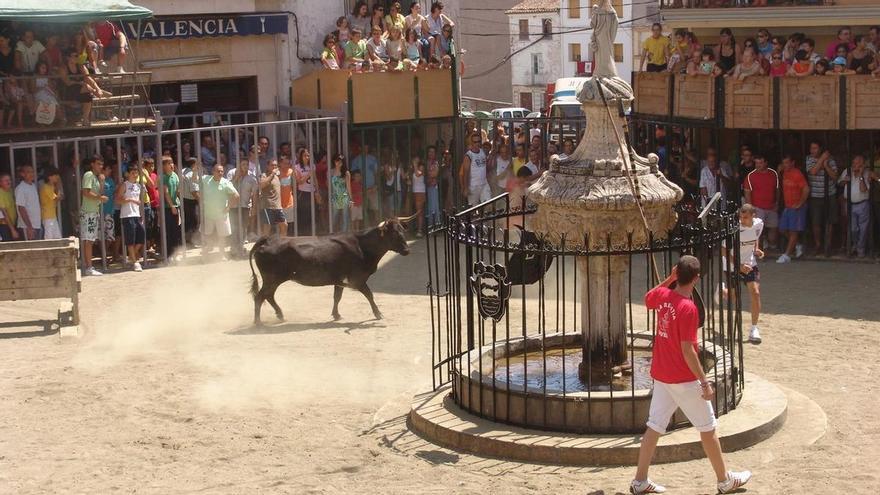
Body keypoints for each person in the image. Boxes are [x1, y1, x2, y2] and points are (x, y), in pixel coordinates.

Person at [630, 256, 752, 495]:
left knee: (654, 427)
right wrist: (704, 381)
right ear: (696, 278)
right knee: (708, 428)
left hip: (663, 375)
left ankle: (640, 480)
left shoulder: (664, 295)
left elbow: (648, 298)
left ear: (677, 272)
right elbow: (688, 350)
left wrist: (670, 278)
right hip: (682, 378)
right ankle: (724, 480)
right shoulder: (688, 308)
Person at [199, 164, 239, 259]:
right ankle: (207, 251)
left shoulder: (226, 182)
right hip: (208, 214)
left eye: (222, 171)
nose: (220, 173)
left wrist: (229, 206)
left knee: (222, 236)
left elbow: (236, 195)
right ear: (213, 172)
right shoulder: (205, 179)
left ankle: (221, 254)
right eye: (218, 171)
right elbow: (194, 180)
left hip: (222, 215)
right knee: (207, 234)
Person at [805, 141, 838, 255]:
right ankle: (818, 245)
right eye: (811, 148)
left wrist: (826, 165)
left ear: (820, 149)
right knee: (816, 222)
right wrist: (822, 159)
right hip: (815, 195)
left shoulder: (831, 160)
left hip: (830, 194)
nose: (812, 150)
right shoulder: (809, 159)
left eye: (815, 148)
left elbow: (835, 177)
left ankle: (827, 245)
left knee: (830, 221)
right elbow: (813, 172)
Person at [777, 155, 809, 264]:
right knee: (782, 229)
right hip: (788, 206)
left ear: (792, 163)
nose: (785, 165)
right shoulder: (784, 173)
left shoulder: (797, 174)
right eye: (783, 163)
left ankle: (787, 255)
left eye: (787, 163)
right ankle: (798, 245)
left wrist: (800, 203)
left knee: (793, 231)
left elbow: (806, 189)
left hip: (796, 207)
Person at [838, 155, 872, 258]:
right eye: (853, 163)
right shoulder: (847, 171)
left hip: (862, 204)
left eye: (857, 163)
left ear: (862, 164)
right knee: (853, 228)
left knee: (863, 228)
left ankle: (860, 249)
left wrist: (860, 175)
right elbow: (839, 183)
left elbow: (863, 189)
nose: (854, 165)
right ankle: (855, 245)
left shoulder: (867, 173)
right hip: (849, 204)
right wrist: (845, 180)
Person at [743, 155, 779, 249]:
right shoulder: (750, 176)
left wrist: (777, 203)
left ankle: (770, 244)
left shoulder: (773, 174)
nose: (758, 165)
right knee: (759, 231)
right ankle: (761, 251)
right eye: (756, 163)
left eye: (760, 163)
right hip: (757, 207)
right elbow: (747, 194)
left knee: (773, 228)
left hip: (771, 206)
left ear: (766, 163)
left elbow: (777, 190)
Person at [80, 156, 107, 275]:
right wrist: (99, 198)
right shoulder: (89, 175)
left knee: (90, 239)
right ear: (92, 164)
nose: (100, 166)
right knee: (88, 240)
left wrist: (102, 182)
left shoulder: (96, 177)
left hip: (93, 211)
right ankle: (89, 267)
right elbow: (85, 192)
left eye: (101, 164)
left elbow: (99, 193)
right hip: (88, 212)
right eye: (98, 164)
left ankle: (89, 267)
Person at [116, 166, 145, 271]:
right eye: (133, 173)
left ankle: (131, 256)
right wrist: (129, 200)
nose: (135, 175)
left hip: (136, 214)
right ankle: (135, 261)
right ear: (128, 174)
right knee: (130, 240)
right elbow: (118, 200)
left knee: (141, 236)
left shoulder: (138, 186)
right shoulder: (124, 185)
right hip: (127, 215)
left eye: (136, 173)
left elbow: (139, 201)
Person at [228, 159, 256, 256]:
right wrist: (236, 177)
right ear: (239, 165)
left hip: (245, 206)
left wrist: (254, 208)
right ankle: (233, 247)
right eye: (243, 164)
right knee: (234, 227)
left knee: (243, 227)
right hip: (233, 206)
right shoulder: (231, 173)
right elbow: (227, 187)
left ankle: (240, 246)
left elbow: (255, 194)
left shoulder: (251, 177)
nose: (245, 166)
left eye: (247, 164)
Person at [350, 143, 379, 223]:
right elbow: (353, 175)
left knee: (375, 208)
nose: (366, 149)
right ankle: (366, 226)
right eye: (364, 147)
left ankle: (377, 226)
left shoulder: (373, 159)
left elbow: (376, 173)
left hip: (373, 188)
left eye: (367, 147)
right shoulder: (355, 160)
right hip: (361, 189)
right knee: (362, 209)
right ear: (360, 148)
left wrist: (376, 185)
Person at [460, 134, 490, 206]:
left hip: (484, 184)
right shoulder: (468, 156)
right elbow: (465, 173)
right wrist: (465, 188)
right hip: (473, 186)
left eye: (479, 141)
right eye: (475, 142)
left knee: (488, 204)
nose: (477, 143)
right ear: (471, 143)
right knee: (473, 207)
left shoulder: (483, 152)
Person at [160, 157, 182, 260]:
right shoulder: (163, 177)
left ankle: (175, 253)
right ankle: (168, 255)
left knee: (176, 230)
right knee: (168, 231)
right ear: (164, 166)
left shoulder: (175, 176)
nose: (172, 165)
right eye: (169, 163)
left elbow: (177, 191)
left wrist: (179, 192)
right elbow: (166, 193)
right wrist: (172, 205)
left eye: (172, 163)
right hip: (167, 207)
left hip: (176, 206)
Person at [259, 158, 286, 237]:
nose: (274, 167)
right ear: (267, 166)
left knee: (284, 225)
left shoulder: (277, 177)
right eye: (272, 165)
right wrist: (272, 174)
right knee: (267, 228)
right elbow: (262, 185)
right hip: (268, 206)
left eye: (275, 165)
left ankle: (281, 244)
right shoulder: (264, 175)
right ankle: (263, 246)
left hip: (277, 206)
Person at [14, 165, 41, 241]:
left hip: (36, 225)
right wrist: (29, 227)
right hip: (26, 227)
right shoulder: (21, 188)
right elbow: (21, 208)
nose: (32, 174)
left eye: (32, 172)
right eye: (28, 172)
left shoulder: (33, 186)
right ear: (22, 174)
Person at [330, 154, 352, 233]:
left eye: (341, 161)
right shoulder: (331, 172)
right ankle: (332, 233)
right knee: (334, 217)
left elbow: (349, 187)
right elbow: (329, 186)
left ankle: (344, 234)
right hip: (335, 197)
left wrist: (351, 199)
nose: (339, 163)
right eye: (337, 161)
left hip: (344, 197)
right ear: (334, 161)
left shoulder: (346, 173)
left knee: (345, 217)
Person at [180, 157, 201, 246]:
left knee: (187, 221)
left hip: (184, 200)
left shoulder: (182, 171)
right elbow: (194, 191)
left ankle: (186, 240)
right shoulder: (192, 174)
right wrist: (202, 202)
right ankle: (193, 241)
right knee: (194, 221)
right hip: (192, 201)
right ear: (194, 165)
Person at [39, 167, 63, 240]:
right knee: (49, 239)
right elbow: (58, 198)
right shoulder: (45, 187)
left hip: (52, 216)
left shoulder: (51, 186)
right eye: (55, 175)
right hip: (47, 217)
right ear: (49, 177)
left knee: (57, 238)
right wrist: (59, 183)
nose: (57, 177)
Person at [0, 173, 19, 241]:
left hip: (12, 223)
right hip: (4, 226)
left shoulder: (11, 191)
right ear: (0, 183)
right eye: (6, 180)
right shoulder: (0, 193)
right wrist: (13, 230)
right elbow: (4, 213)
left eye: (9, 180)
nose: (9, 182)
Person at [411, 156, 426, 237]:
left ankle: (420, 230)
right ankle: (417, 228)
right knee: (417, 211)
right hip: (415, 191)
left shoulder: (421, 167)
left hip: (420, 191)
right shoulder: (414, 168)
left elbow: (418, 174)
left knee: (419, 211)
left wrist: (415, 164)